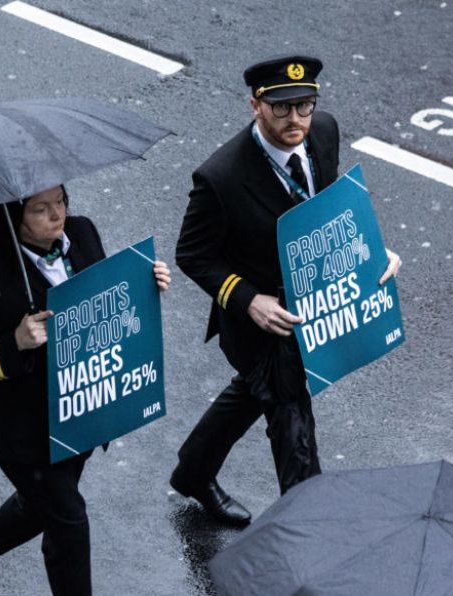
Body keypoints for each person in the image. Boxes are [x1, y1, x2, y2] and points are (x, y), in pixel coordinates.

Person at [169, 56, 402, 525]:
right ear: (255, 106)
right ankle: (309, 531)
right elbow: (192, 255)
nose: (295, 119)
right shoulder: (220, 178)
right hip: (262, 319)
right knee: (290, 414)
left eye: (304, 105)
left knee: (255, 394)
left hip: (315, 300)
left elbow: (330, 209)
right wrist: (249, 300)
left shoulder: (325, 132)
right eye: (281, 108)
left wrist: (371, 252)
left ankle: (193, 471)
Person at [0, 186, 171, 596]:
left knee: (43, 509)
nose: (57, 215)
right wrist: (13, 342)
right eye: (40, 209)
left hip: (79, 413)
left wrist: (145, 283)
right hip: (25, 434)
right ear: (13, 218)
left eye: (61, 201)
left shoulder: (83, 232)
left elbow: (107, 298)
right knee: (69, 520)